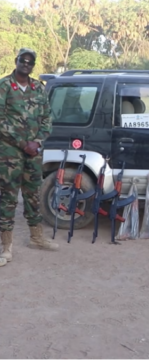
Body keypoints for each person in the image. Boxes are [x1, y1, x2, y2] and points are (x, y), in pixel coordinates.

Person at [0, 47, 59, 264]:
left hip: (33, 153)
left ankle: (36, 238)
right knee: (7, 198)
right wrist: (23, 143)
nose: (26, 64)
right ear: (16, 61)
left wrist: (38, 142)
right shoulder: (4, 86)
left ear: (33, 65)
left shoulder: (38, 88)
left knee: (33, 195)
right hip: (9, 153)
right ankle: (6, 247)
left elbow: (47, 118)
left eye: (30, 62)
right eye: (22, 60)